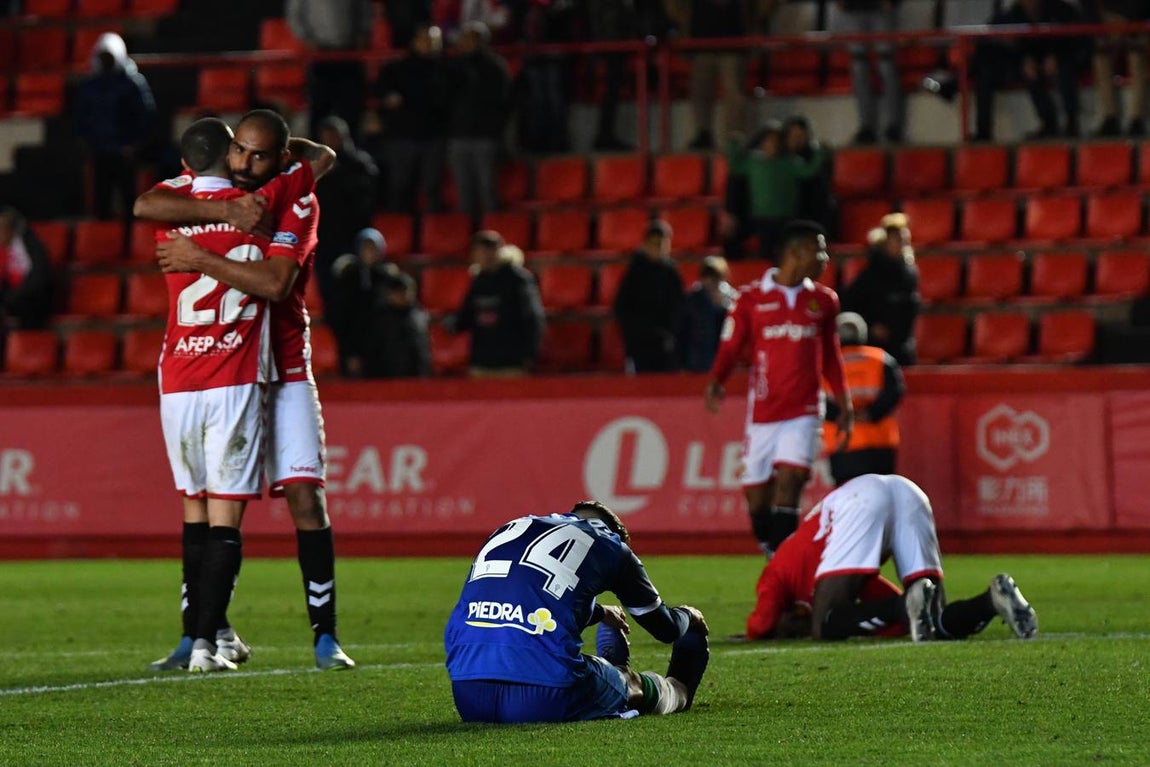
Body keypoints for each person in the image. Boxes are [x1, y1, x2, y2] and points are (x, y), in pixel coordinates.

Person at [134, 110, 355, 672]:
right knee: (215, 503)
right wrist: (224, 207)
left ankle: (325, 635)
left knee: (305, 498)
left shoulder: (293, 197)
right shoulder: (228, 195)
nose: (244, 164)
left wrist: (199, 252)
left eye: (258, 155)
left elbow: (279, 282)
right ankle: (209, 630)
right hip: (231, 367)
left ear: (280, 158)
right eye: (238, 153)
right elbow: (149, 203)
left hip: (283, 367)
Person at [444, 500, 711, 723]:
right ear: (614, 533)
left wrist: (599, 613)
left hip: (469, 694)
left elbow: (532, 602)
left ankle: (608, 672)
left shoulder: (511, 527)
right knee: (634, 684)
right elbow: (666, 629)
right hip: (546, 696)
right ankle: (676, 691)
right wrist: (689, 616)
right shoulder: (611, 544)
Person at [745, 473, 1039, 643]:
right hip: (910, 492)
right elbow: (895, 616)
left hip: (860, 500)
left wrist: (772, 630)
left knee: (824, 626)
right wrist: (902, 607)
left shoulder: (776, 571)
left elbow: (760, 624)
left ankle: (910, 605)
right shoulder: (820, 567)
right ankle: (992, 600)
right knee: (932, 621)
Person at [705, 220, 852, 557]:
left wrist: (844, 401)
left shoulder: (824, 301)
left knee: (790, 483)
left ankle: (785, 569)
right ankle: (778, 557)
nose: (825, 257)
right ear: (795, 253)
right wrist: (716, 381)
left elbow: (830, 354)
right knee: (757, 499)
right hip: (763, 414)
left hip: (804, 411)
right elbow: (731, 346)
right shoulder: (751, 299)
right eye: (819, 249)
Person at [970, 0, 1084, 141]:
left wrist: (1056, 55)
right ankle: (1049, 123)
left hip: (1063, 58)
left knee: (1065, 69)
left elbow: (1075, 38)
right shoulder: (1014, 13)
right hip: (1029, 61)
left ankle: (1072, 124)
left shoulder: (1061, 9)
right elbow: (995, 35)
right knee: (1026, 73)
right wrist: (1023, 58)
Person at [73, 32, 156, 223]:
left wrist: (135, 144)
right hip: (100, 151)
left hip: (124, 151)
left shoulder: (132, 83)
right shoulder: (90, 85)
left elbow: (145, 115)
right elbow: (81, 117)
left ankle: (130, 235)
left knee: (128, 197)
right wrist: (86, 141)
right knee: (101, 197)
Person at [330, 228, 432, 378]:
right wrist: (350, 352)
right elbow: (342, 317)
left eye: (373, 248)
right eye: (366, 248)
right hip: (356, 343)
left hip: (383, 350)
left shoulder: (388, 277)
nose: (370, 252)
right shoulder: (348, 278)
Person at [724, 122, 829, 261]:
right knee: (765, 252)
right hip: (761, 218)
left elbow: (808, 171)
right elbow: (735, 165)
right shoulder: (753, 162)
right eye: (768, 141)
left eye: (776, 141)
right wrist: (733, 145)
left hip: (786, 217)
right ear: (761, 143)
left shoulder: (791, 162)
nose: (772, 145)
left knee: (785, 251)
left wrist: (821, 154)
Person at [375, 23, 450, 213]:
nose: (429, 45)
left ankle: (432, 235)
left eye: (433, 41)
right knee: (399, 188)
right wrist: (388, 98)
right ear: (414, 41)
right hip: (402, 136)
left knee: (431, 189)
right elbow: (380, 92)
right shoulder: (397, 68)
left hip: (434, 137)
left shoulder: (447, 70)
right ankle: (399, 233)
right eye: (425, 40)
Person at [823, 312, 904, 486]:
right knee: (883, 496)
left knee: (848, 502)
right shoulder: (882, 359)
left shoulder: (825, 364)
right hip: (880, 442)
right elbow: (895, 392)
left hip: (843, 444)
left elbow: (818, 402)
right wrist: (869, 414)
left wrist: (845, 416)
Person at [450, 232, 545, 376]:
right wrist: (453, 325)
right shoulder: (479, 281)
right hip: (482, 360)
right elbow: (467, 314)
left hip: (511, 361)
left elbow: (532, 317)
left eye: (488, 250)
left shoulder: (518, 279)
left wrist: (529, 354)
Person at [445, 21, 511, 220]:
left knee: (487, 187)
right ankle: (467, 236)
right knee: (463, 191)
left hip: (484, 137)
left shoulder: (495, 67)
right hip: (459, 136)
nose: (464, 42)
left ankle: (493, 232)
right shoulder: (454, 67)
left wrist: (494, 128)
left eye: (470, 38)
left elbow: (503, 101)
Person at [313, 116, 379, 314]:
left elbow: (368, 199)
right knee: (326, 285)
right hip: (323, 237)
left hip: (351, 236)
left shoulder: (359, 164)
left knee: (352, 286)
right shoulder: (317, 165)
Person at [667, 0, 751, 150]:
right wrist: (682, 22)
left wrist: (754, 21)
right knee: (699, 92)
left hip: (734, 41)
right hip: (701, 40)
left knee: (734, 94)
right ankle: (703, 133)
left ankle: (734, 139)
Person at [286, 0, 373, 141]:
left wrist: (363, 35)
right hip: (320, 55)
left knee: (351, 107)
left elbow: (365, 12)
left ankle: (352, 154)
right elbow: (294, 16)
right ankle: (316, 155)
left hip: (349, 53)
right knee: (320, 107)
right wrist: (307, 39)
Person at [841, 212, 920, 366]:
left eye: (904, 241)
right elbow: (851, 304)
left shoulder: (910, 275)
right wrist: (871, 327)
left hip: (901, 348)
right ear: (885, 242)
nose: (901, 245)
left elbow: (910, 309)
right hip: (873, 346)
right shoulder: (869, 275)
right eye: (897, 240)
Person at [614, 219, 685, 373]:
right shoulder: (635, 272)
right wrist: (635, 335)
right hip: (640, 344)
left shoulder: (671, 272)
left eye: (663, 243)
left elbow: (679, 307)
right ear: (645, 244)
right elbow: (621, 308)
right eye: (655, 243)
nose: (659, 248)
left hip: (666, 344)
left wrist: (671, 334)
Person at [829, 0, 904, 144]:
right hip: (853, 9)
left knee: (886, 66)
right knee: (859, 69)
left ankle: (894, 126)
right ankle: (866, 127)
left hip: (882, 9)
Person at [1092, 0, 1149, 137]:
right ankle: (1110, 117)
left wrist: (1127, 30)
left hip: (1137, 21)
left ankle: (1137, 119)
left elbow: (1142, 6)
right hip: (1110, 21)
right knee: (1101, 59)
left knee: (1137, 59)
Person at [679, 255, 737, 372]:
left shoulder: (732, 300)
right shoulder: (692, 300)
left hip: (724, 360)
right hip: (698, 362)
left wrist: (724, 308)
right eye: (707, 276)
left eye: (715, 278)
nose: (710, 282)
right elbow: (683, 332)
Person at [0, 206, 53, 330]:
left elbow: (39, 279)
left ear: (11, 229)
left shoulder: (31, 247)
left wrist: (11, 300)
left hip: (30, 300)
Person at [783, 116, 834, 233]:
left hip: (814, 212)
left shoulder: (816, 159)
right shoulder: (781, 159)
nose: (796, 140)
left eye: (800, 136)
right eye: (792, 136)